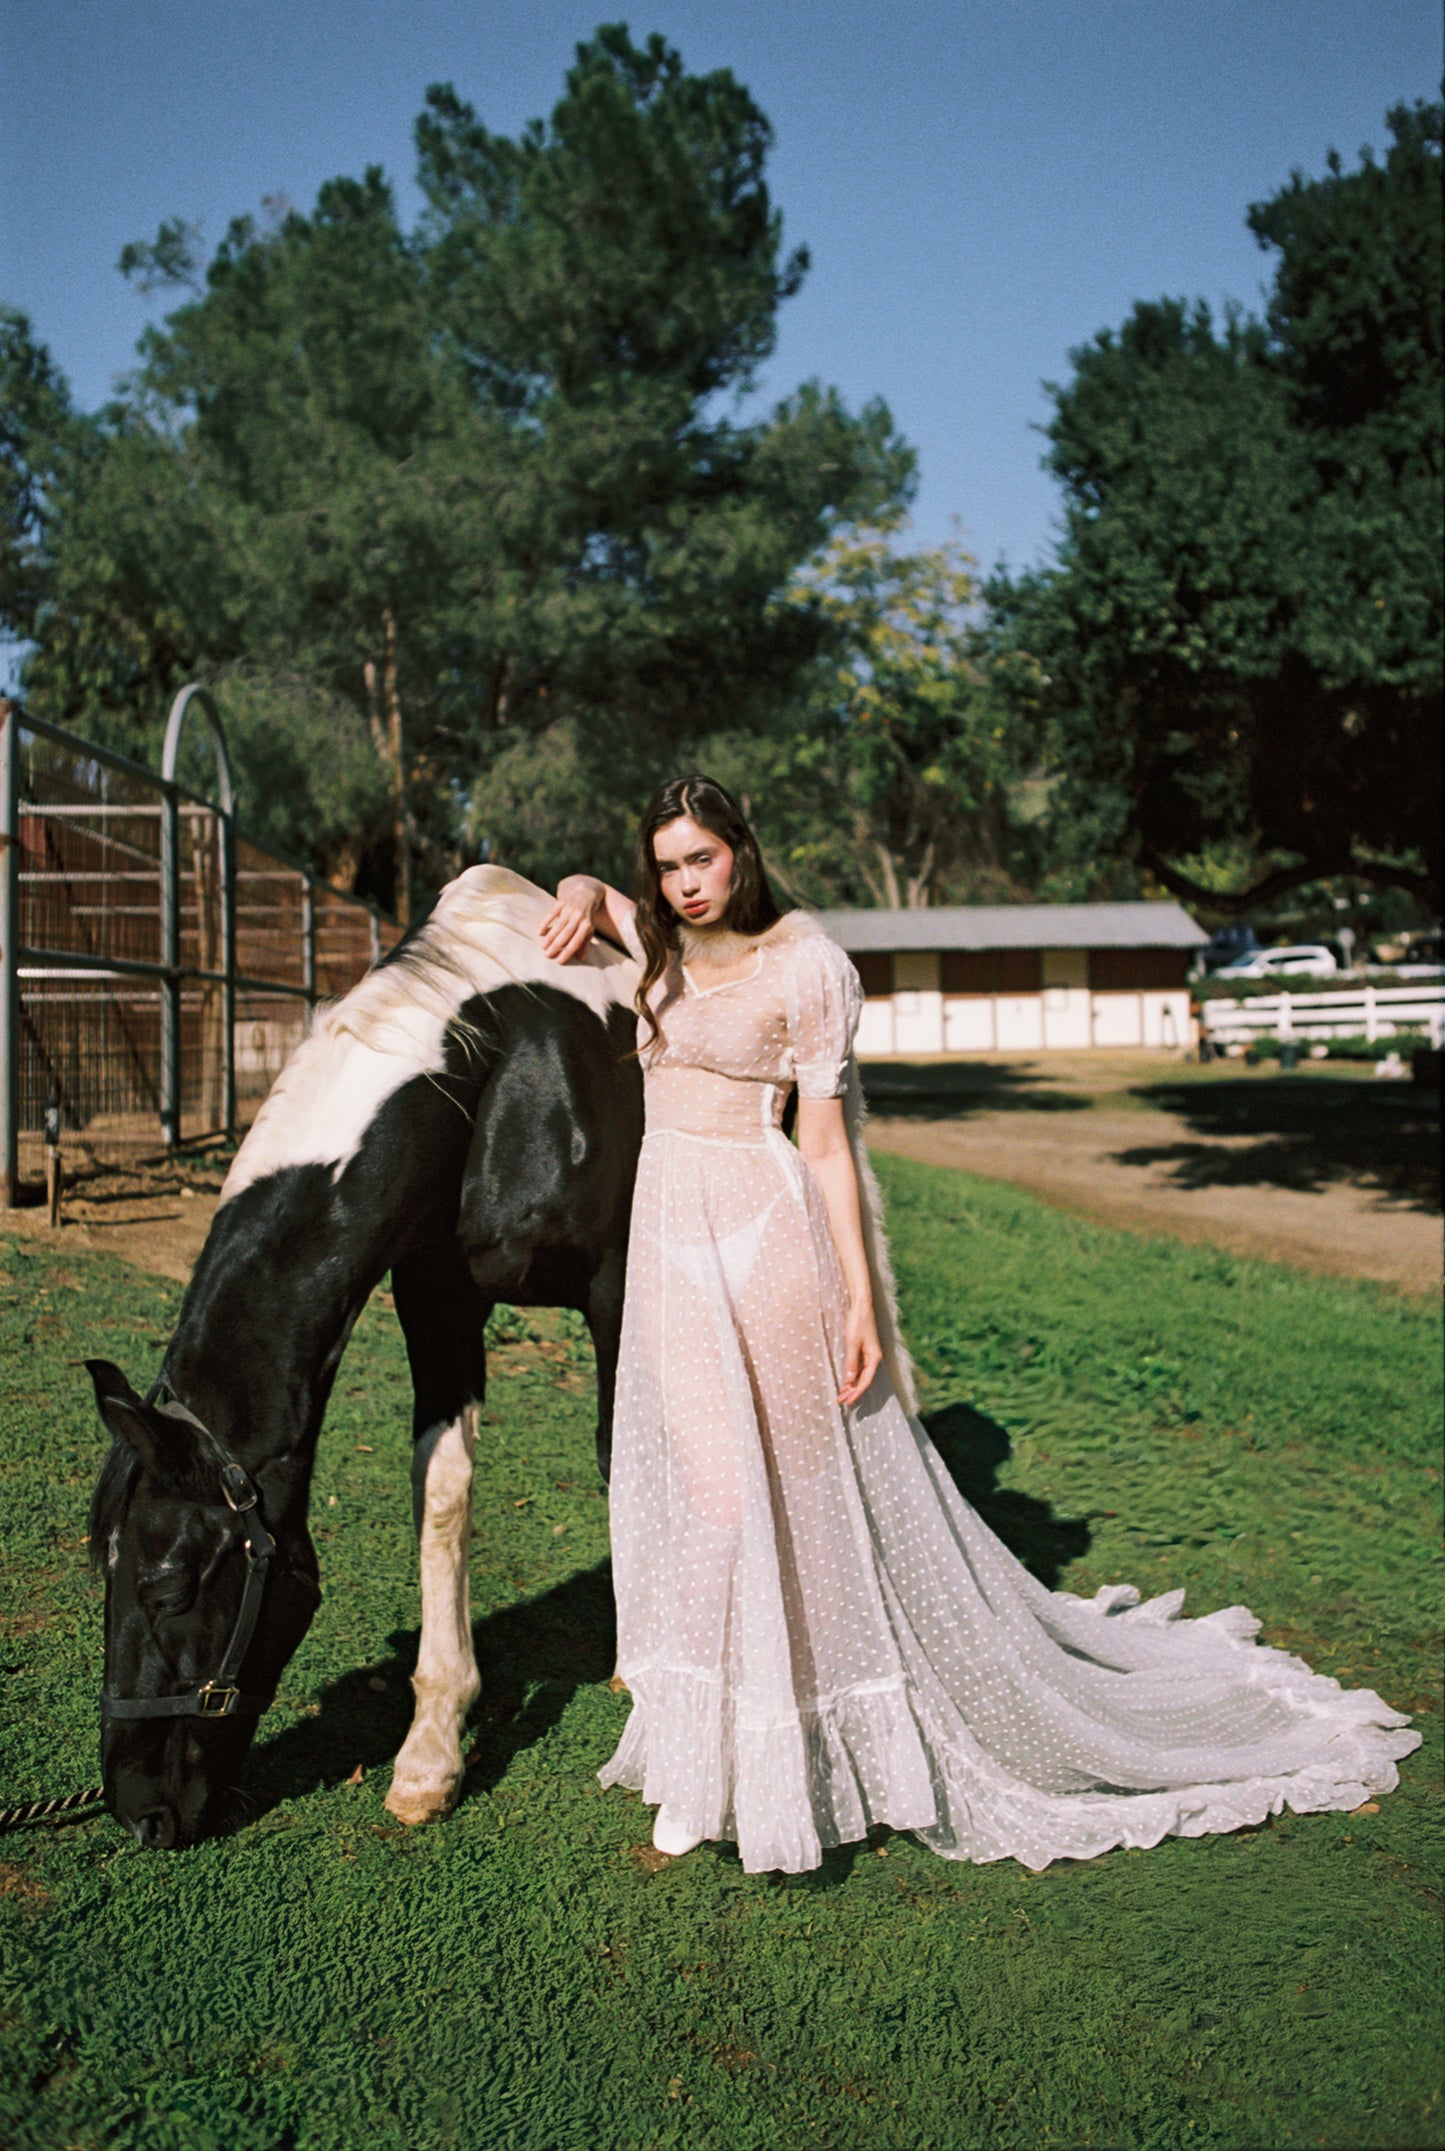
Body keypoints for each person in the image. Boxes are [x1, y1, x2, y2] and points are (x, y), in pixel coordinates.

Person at [538, 775, 1419, 1876]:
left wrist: (858, 1299)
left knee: (781, 1497)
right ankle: (715, 1744)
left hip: (764, 1235)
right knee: (706, 1488)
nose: (684, 883)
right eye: (665, 864)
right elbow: (597, 902)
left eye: (700, 860)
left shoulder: (806, 965)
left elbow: (821, 1148)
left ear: (739, 853)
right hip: (667, 1245)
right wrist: (582, 884)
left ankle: (758, 1749)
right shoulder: (660, 945)